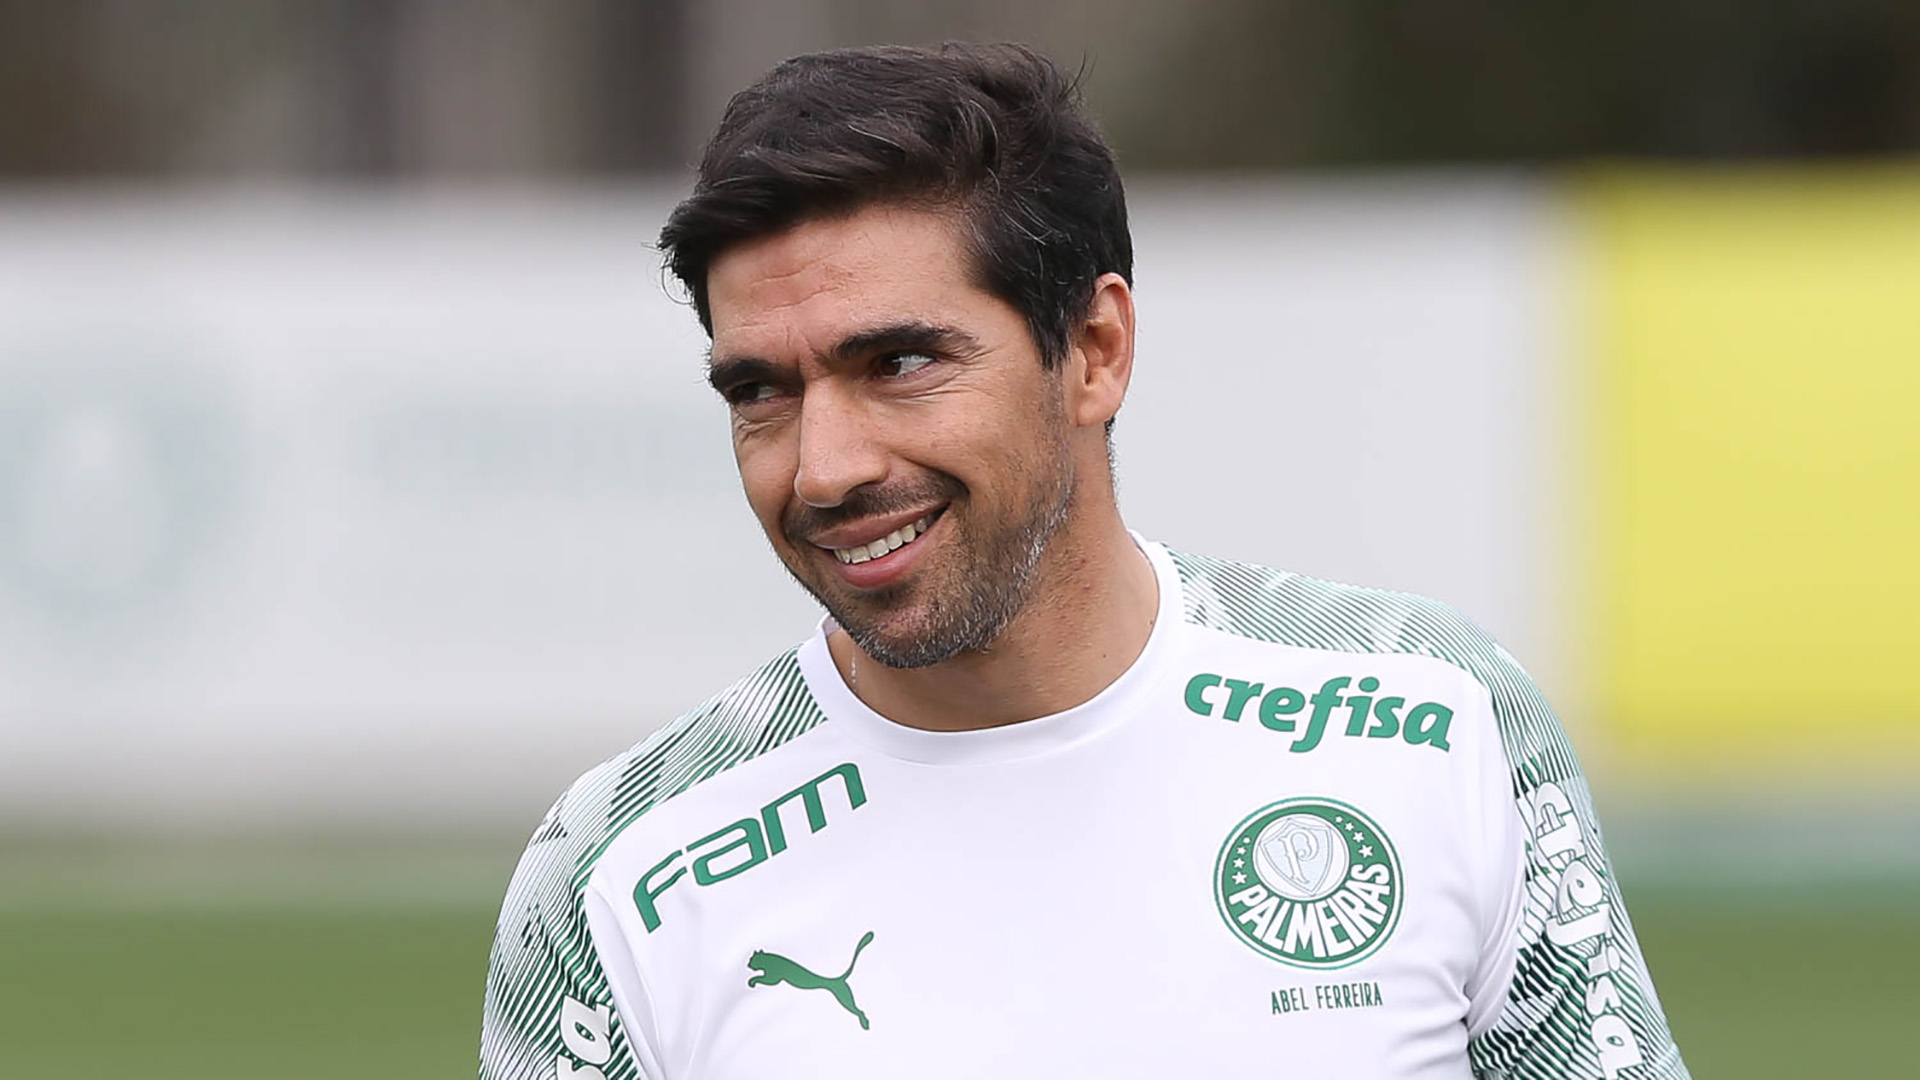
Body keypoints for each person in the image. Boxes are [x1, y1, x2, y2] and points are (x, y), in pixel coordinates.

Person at [479, 42, 1687, 1080]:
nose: (823, 467)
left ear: (1094, 350)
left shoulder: (1433, 717)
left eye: (897, 363)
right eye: (761, 391)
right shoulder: (619, 874)